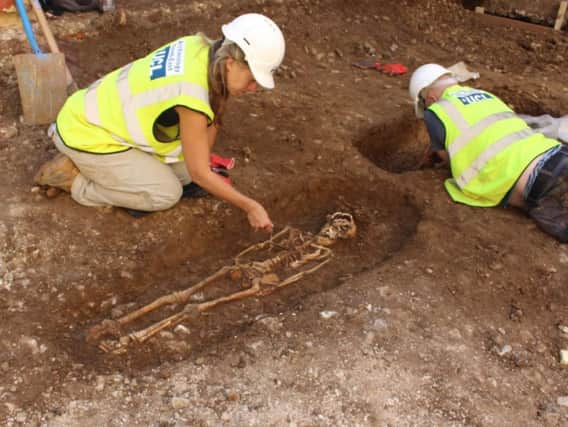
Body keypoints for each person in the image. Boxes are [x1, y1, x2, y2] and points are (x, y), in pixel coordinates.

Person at [34, 13, 285, 232]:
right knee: (165, 193)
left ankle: (101, 169)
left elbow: (201, 153)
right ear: (231, 63)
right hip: (87, 133)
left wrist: (201, 168)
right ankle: (74, 180)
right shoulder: (192, 96)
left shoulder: (198, 48)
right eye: (252, 79)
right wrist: (250, 206)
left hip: (104, 116)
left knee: (187, 172)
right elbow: (200, 172)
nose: (253, 89)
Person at [409, 63, 568, 242]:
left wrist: (439, 155)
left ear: (430, 98)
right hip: (556, 152)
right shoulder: (487, 96)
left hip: (541, 181)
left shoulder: (435, 112)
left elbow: (448, 157)